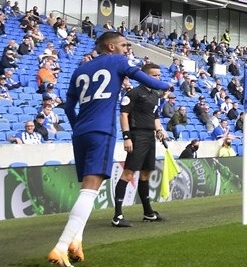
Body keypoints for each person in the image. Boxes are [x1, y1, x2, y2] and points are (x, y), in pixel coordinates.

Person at [49, 32, 172, 266]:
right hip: (101, 131)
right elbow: (150, 82)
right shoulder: (117, 61)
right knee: (90, 190)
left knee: (87, 188)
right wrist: (167, 84)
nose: (127, 48)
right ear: (111, 46)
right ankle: (61, 247)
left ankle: (76, 240)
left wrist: (78, 127)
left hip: (81, 132)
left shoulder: (79, 70)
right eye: (124, 45)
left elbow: (67, 107)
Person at [112, 63, 167, 228]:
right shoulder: (133, 93)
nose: (158, 78)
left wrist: (160, 129)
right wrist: (127, 137)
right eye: (155, 75)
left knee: (145, 174)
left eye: (159, 75)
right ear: (145, 76)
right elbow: (123, 115)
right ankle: (117, 215)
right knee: (128, 174)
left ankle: (148, 213)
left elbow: (155, 116)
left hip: (150, 136)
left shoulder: (155, 95)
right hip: (137, 136)